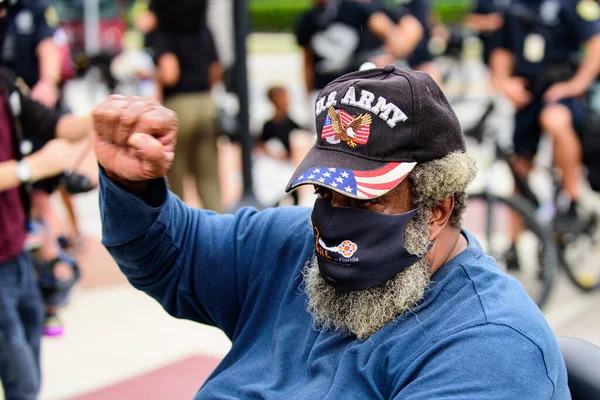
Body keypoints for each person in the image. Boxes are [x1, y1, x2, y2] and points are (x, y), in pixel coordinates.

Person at [93, 66, 569, 398]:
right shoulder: (288, 246)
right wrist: (130, 184)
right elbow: (174, 255)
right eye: (326, 194)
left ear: (438, 209)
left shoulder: (489, 347)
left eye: (364, 200)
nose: (336, 219)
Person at [0, 51, 90, 400]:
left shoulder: (5, 80)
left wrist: (104, 115)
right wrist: (31, 168)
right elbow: (35, 163)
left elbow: (54, 124)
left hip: (18, 252)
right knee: (22, 382)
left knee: (30, 380)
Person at [490, 0, 600, 233]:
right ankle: (513, 243)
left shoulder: (571, 4)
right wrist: (505, 83)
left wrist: (575, 85)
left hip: (559, 92)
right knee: (518, 167)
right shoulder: (514, 6)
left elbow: (596, 45)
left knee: (555, 119)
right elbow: (501, 50)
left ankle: (570, 200)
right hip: (527, 94)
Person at [148, 0, 223, 211]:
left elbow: (170, 74)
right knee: (209, 177)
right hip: (206, 103)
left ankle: (178, 229)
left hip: (178, 107)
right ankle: (219, 231)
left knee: (174, 175)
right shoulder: (204, 30)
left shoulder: (164, 33)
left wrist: (149, 75)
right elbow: (216, 70)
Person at [296, 0, 417, 98]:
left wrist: (390, 55)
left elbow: (393, 32)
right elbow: (308, 63)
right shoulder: (307, 20)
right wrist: (308, 96)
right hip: (325, 87)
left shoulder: (354, 9)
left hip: (355, 86)